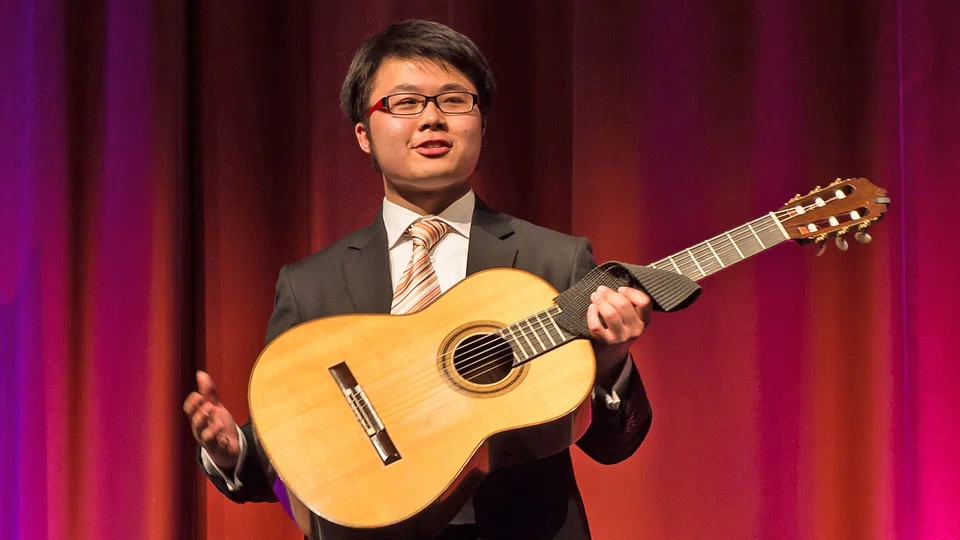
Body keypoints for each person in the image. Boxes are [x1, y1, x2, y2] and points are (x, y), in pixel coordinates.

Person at [183, 19, 654, 540]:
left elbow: (613, 444)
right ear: (364, 134)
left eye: (454, 100)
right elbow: (285, 451)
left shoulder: (555, 260)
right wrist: (234, 450)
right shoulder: (310, 284)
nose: (432, 118)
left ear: (482, 124)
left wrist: (611, 363)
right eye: (405, 103)